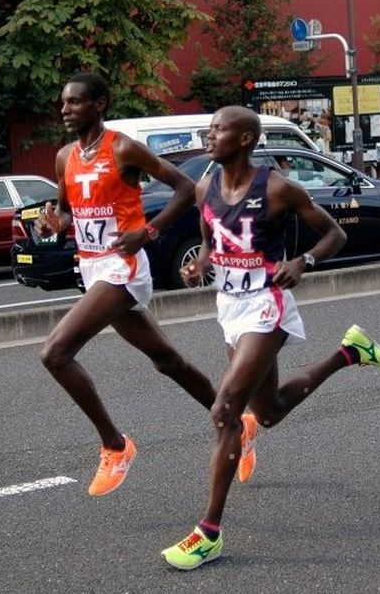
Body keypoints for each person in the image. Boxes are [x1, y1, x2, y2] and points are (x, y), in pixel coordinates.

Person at [160, 106, 380, 570]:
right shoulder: (206, 188)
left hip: (268, 305)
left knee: (225, 409)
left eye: (219, 130)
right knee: (266, 414)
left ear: (246, 138)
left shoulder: (278, 188)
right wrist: (201, 263)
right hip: (230, 307)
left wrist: (303, 261)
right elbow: (211, 241)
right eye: (209, 130)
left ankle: (208, 533)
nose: (209, 136)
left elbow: (333, 235)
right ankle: (350, 353)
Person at [35, 73, 255, 497]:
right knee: (167, 360)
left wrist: (148, 233)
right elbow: (65, 213)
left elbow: (186, 188)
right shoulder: (65, 157)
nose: (65, 109)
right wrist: (52, 223)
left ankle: (116, 446)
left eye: (76, 102)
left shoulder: (122, 148)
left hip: (124, 267)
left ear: (100, 104)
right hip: (92, 268)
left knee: (55, 353)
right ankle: (236, 422)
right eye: (63, 102)